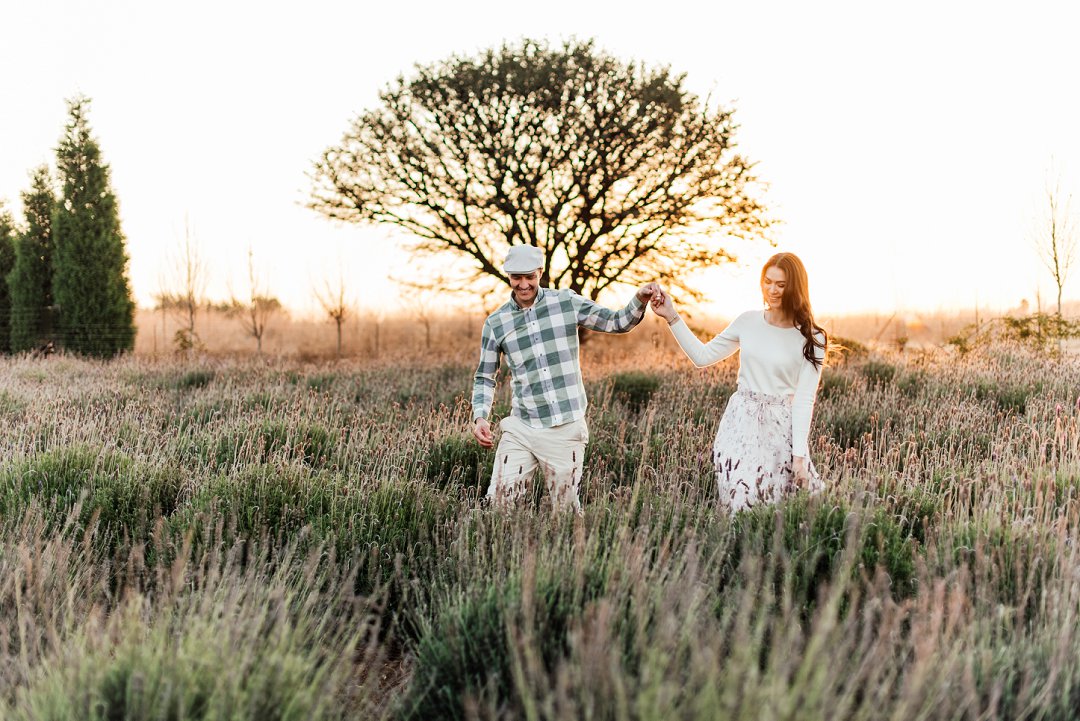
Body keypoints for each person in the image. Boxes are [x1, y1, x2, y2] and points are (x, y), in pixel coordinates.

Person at [472, 245, 661, 512]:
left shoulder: (566, 302)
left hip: (565, 428)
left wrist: (640, 299)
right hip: (521, 427)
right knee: (500, 503)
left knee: (566, 513)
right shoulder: (496, 322)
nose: (523, 284)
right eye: (516, 277)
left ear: (540, 272)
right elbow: (485, 376)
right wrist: (480, 416)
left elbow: (617, 322)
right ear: (508, 276)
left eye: (529, 276)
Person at [650, 252, 827, 512]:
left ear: (796, 288)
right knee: (740, 501)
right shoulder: (748, 321)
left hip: (780, 429)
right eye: (767, 282)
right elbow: (702, 356)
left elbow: (804, 400)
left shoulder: (813, 337)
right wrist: (671, 316)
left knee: (783, 507)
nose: (772, 290)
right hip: (740, 422)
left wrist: (799, 457)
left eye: (781, 284)